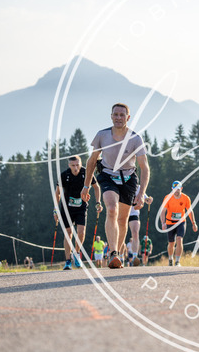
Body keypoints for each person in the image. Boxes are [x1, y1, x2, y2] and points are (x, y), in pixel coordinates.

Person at [82, 103, 150, 269]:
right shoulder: (102, 135)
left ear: (128, 117)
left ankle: (117, 254)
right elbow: (92, 161)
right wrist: (86, 186)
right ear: (111, 116)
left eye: (122, 115)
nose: (119, 117)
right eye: (116, 114)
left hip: (128, 179)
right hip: (108, 176)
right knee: (112, 209)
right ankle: (113, 252)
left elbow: (144, 168)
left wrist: (141, 193)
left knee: (123, 219)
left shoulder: (135, 138)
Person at [55, 155, 102, 270]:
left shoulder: (86, 173)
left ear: (81, 164)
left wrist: (98, 202)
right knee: (68, 233)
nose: (75, 168)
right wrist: (55, 209)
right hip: (67, 208)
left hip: (81, 207)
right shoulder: (64, 175)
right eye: (73, 165)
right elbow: (58, 193)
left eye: (77, 165)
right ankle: (67, 261)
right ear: (69, 165)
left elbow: (96, 187)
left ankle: (76, 253)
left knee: (81, 232)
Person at [159, 180, 198, 266]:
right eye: (174, 189)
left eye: (178, 189)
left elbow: (190, 211)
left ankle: (177, 261)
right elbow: (163, 211)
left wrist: (193, 223)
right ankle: (170, 259)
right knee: (171, 243)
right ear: (172, 189)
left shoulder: (186, 198)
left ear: (181, 189)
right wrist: (163, 223)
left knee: (179, 239)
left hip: (181, 222)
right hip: (170, 222)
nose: (176, 191)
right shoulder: (167, 197)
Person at [127, 185, 153, 266]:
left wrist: (149, 200)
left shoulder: (138, 187)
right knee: (121, 234)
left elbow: (146, 199)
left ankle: (135, 257)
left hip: (133, 213)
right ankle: (118, 255)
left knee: (135, 233)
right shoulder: (121, 184)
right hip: (122, 213)